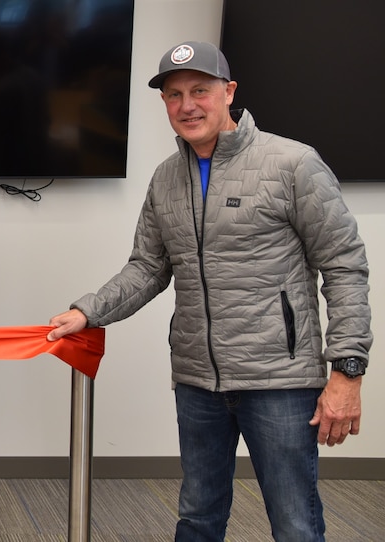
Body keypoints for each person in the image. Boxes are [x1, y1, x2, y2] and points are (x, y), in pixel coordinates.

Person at [47, 41, 369, 541]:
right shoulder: (166, 179)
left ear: (229, 91)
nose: (187, 105)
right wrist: (89, 312)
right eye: (174, 95)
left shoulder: (293, 163)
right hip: (198, 382)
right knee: (197, 517)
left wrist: (347, 370)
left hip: (279, 381)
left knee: (295, 523)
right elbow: (148, 267)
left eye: (200, 90)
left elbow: (344, 265)